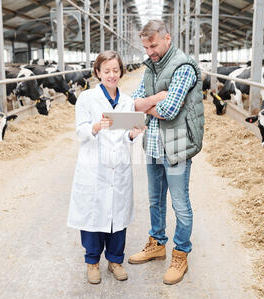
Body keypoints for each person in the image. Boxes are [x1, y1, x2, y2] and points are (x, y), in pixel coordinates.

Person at [128, 20, 205, 285]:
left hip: (176, 145)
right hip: (152, 144)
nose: (149, 50)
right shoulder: (150, 67)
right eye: (146, 46)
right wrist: (157, 97)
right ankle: (157, 243)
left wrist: (156, 102)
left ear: (167, 38)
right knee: (155, 200)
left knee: (180, 204)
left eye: (153, 44)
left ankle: (181, 252)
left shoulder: (183, 66)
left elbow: (170, 111)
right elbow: (134, 103)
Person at [67, 50, 145, 284]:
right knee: (92, 216)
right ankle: (92, 263)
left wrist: (132, 135)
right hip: (94, 167)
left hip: (119, 166)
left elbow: (127, 136)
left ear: (121, 71)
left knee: (117, 216)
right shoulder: (87, 99)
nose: (112, 75)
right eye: (107, 71)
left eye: (116, 70)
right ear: (98, 72)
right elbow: (80, 131)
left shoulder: (127, 101)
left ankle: (115, 260)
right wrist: (95, 127)